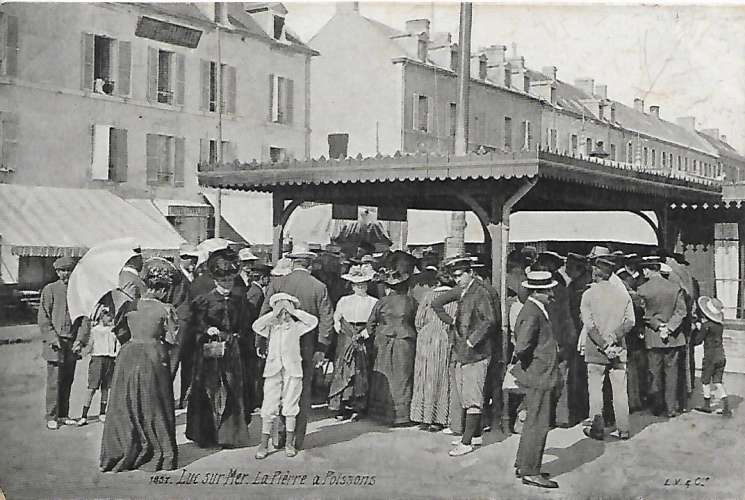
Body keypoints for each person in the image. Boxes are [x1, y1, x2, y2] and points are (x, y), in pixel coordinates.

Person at [100, 264, 178, 472]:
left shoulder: (129, 306)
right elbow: (171, 338)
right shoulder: (166, 309)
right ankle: (160, 452)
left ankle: (124, 449)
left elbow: (119, 331)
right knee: (155, 404)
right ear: (162, 289)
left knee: (126, 404)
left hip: (129, 356)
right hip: (153, 356)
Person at [259, 243, 334, 451]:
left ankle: (275, 437)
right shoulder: (319, 287)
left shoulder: (278, 283)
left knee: (275, 390)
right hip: (306, 347)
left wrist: (262, 342)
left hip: (277, 345)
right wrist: (322, 348)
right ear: (309, 262)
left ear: (292, 261)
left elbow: (264, 314)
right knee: (299, 392)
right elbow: (326, 320)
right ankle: (294, 440)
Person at [186, 249, 253, 448]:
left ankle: (229, 435)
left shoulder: (240, 300)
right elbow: (194, 326)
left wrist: (238, 336)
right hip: (209, 352)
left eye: (230, 282)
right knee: (208, 390)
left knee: (232, 388)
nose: (227, 286)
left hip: (232, 352)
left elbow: (246, 324)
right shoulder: (204, 301)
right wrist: (207, 329)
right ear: (215, 281)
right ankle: (204, 435)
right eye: (224, 283)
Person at [431, 258, 495, 457]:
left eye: (460, 275)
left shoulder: (480, 292)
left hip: (477, 353)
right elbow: (437, 302)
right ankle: (474, 436)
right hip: (464, 351)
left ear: (470, 272)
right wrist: (452, 323)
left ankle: (466, 442)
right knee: (465, 393)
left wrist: (471, 341)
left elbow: (489, 320)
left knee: (473, 397)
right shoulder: (465, 290)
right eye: (454, 276)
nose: (457, 279)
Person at [511, 271, 561, 489]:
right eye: (549, 290)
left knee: (533, 420)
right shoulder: (533, 312)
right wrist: (532, 366)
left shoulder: (535, 308)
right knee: (538, 423)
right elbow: (522, 346)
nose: (552, 294)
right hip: (539, 375)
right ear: (539, 292)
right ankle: (531, 471)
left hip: (538, 373)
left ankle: (524, 464)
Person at [253, 293, 318, 458]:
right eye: (280, 311)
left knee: (291, 405)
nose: (283, 314)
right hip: (273, 369)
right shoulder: (271, 327)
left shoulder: (296, 327)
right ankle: (263, 444)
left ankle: (289, 443)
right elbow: (256, 325)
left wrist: (294, 311)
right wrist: (273, 313)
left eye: (286, 311)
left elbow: (313, 321)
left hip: (293, 370)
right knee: (269, 406)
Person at [580, 258, 635, 441]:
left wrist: (603, 344)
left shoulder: (588, 295)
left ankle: (596, 427)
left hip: (596, 351)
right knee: (620, 390)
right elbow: (630, 321)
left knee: (595, 390)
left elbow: (589, 325)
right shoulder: (623, 294)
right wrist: (614, 337)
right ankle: (623, 428)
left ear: (596, 274)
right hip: (619, 348)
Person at [39, 256, 89, 430]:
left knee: (68, 380)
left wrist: (80, 340)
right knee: (54, 381)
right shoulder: (50, 290)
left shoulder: (79, 291)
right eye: (62, 271)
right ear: (57, 272)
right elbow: (44, 318)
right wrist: (53, 338)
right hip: (56, 343)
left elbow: (84, 319)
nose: (66, 274)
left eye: (69, 270)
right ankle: (51, 416)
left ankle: (63, 414)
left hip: (72, 343)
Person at [366, 269, 419, 426]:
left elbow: (371, 323)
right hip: (405, 341)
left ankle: (381, 414)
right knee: (403, 377)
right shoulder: (411, 302)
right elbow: (418, 321)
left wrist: (374, 336)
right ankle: (402, 415)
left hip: (383, 340)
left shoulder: (381, 302)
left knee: (383, 376)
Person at [636, 258, 687, 417]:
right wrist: (669, 328)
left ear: (646, 271)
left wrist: (658, 326)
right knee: (672, 374)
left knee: (654, 373)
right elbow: (681, 312)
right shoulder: (675, 288)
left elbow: (643, 315)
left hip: (653, 337)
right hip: (673, 337)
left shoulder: (642, 289)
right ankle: (671, 408)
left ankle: (657, 407)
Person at [532, 251, 576, 428]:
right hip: (565, 336)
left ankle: (547, 417)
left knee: (547, 378)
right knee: (562, 377)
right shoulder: (562, 287)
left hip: (550, 338)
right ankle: (562, 416)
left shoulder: (542, 291)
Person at [329, 265, 378, 421]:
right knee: (343, 367)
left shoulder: (373, 301)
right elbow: (336, 317)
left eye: (363, 284)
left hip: (364, 336)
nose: (360, 287)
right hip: (346, 335)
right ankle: (340, 405)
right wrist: (338, 326)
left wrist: (366, 333)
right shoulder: (344, 300)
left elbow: (375, 322)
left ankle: (359, 406)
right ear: (352, 285)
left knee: (361, 371)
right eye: (356, 284)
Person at [410, 271, 455, 432]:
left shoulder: (428, 296)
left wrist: (424, 331)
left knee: (423, 375)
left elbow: (419, 320)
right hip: (444, 336)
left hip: (426, 336)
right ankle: (440, 418)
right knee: (442, 376)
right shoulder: (455, 296)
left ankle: (423, 416)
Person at [77, 305, 119, 426]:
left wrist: (117, 355)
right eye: (107, 315)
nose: (110, 318)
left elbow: (117, 345)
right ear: (101, 316)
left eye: (111, 315)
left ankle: (102, 412)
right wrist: (81, 353)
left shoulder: (113, 331)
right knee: (92, 388)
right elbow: (90, 346)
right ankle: (84, 415)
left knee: (106, 388)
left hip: (110, 359)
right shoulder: (95, 330)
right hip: (97, 359)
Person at [170, 243, 200, 408]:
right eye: (191, 258)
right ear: (183, 258)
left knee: (190, 364)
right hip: (179, 326)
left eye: (195, 258)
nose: (193, 262)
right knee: (173, 363)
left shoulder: (194, 276)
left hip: (193, 327)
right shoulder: (176, 277)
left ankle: (185, 399)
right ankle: (167, 399)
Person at [693, 297, 732, 416]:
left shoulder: (706, 326)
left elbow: (698, 340)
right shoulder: (720, 326)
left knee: (705, 380)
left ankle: (707, 405)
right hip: (721, 355)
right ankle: (726, 407)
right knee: (718, 381)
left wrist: (697, 330)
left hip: (710, 356)